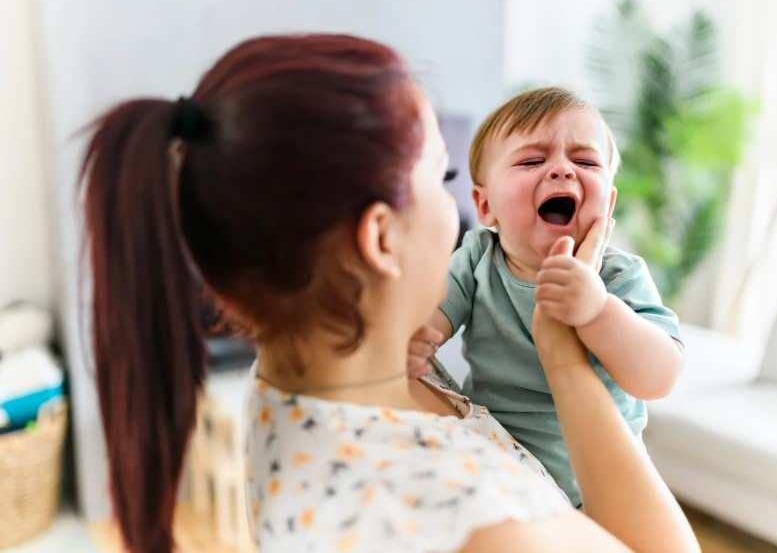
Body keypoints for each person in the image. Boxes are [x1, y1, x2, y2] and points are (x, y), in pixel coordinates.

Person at [80, 34, 698, 552]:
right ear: (380, 237)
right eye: (443, 175)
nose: (561, 171)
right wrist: (560, 356)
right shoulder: (486, 526)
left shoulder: (290, 378)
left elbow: (660, 367)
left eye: (585, 162)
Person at [408, 87, 685, 506]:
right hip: (497, 464)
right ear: (485, 205)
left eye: (585, 161)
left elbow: (659, 378)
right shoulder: (478, 256)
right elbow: (428, 319)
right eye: (531, 161)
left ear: (609, 203)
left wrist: (598, 310)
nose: (562, 170)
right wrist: (414, 340)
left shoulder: (619, 275)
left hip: (598, 488)